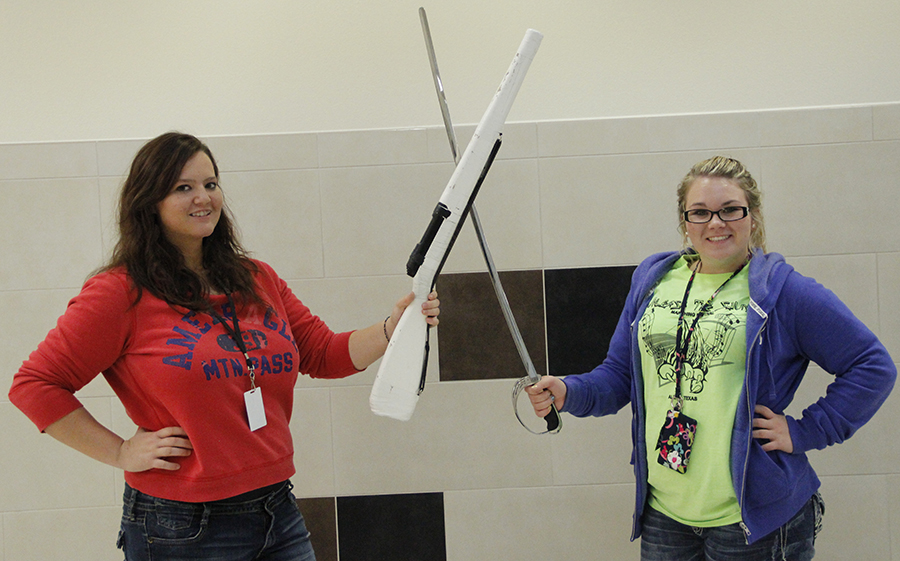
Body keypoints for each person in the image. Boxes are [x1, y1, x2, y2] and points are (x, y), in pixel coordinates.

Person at [9, 131, 440, 561]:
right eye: (184, 188)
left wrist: (393, 328)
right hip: (181, 525)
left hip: (277, 509)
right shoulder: (120, 293)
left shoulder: (256, 277)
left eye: (210, 184)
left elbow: (323, 354)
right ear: (149, 202)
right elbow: (34, 385)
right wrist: (121, 452)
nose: (203, 198)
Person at [526, 155, 895, 560]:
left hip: (753, 521)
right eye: (700, 212)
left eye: (730, 210)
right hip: (665, 514)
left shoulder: (784, 292)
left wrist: (805, 431)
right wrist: (567, 390)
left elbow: (873, 366)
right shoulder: (652, 281)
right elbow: (620, 376)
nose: (715, 223)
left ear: (752, 216)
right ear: (684, 221)